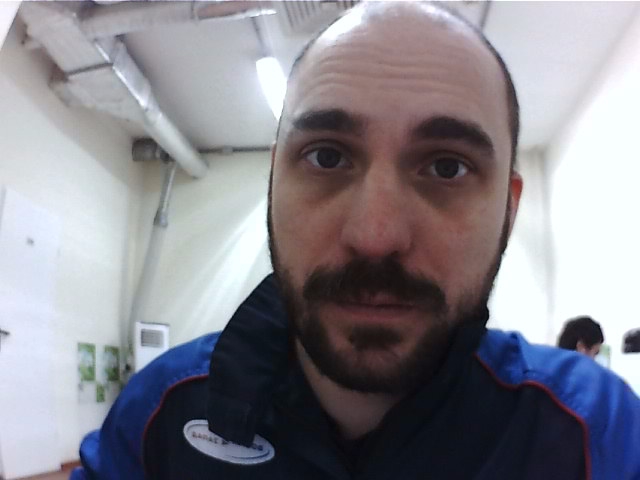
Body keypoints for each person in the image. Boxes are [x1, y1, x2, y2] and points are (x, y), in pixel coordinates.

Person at [72, 2, 640, 479]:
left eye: (447, 167)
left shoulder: (595, 430)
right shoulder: (159, 415)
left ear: (508, 212)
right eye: (326, 157)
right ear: (274, 186)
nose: (375, 237)